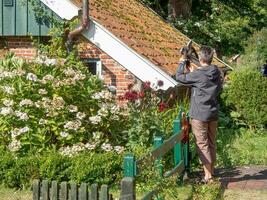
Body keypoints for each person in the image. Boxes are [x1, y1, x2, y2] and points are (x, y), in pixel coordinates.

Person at [175, 45, 222, 183]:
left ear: (200, 58)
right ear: (211, 58)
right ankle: (211, 171)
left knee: (202, 144)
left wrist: (182, 61)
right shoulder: (217, 72)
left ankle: (208, 176)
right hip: (213, 113)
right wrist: (195, 74)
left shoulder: (197, 74)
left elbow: (179, 76)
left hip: (199, 115)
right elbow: (215, 87)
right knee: (212, 143)